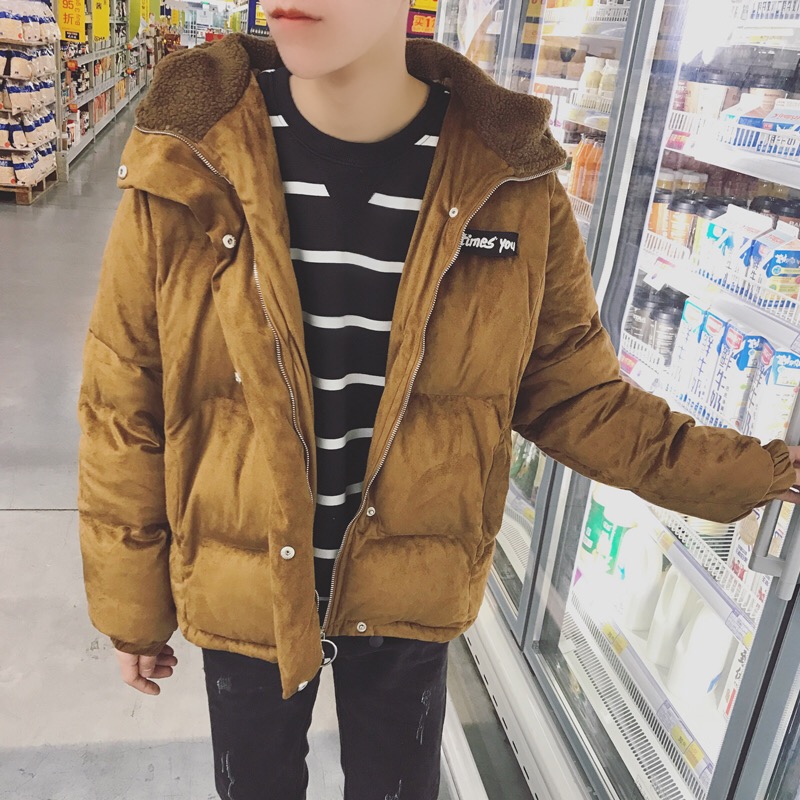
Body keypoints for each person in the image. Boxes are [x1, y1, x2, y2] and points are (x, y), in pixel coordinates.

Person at [76, 1, 800, 798]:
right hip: (242, 580)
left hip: (410, 588)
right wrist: (132, 605)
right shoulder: (188, 156)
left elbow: (576, 395)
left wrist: (760, 472)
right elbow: (124, 398)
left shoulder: (507, 179)